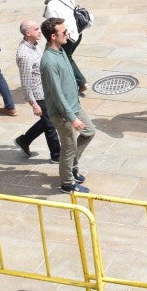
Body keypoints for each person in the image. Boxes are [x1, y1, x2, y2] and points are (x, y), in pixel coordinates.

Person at [40, 17, 97, 193]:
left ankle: (71, 166)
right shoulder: (49, 62)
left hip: (74, 105)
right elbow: (56, 94)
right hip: (62, 113)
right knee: (69, 146)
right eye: (64, 32)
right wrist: (72, 118)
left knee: (89, 131)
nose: (67, 34)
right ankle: (67, 182)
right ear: (53, 36)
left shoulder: (60, 50)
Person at [13, 20, 62, 161]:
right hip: (39, 94)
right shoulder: (24, 55)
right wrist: (33, 104)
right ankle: (56, 156)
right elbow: (26, 82)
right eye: (36, 29)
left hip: (47, 89)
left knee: (49, 120)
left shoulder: (35, 45)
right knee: (50, 124)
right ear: (28, 33)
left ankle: (24, 140)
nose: (40, 31)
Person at [43, 0, 88, 95]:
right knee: (67, 57)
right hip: (77, 33)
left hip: (66, 36)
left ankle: (80, 82)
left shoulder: (52, 5)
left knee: (65, 58)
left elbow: (53, 25)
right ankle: (79, 82)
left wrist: (52, 41)